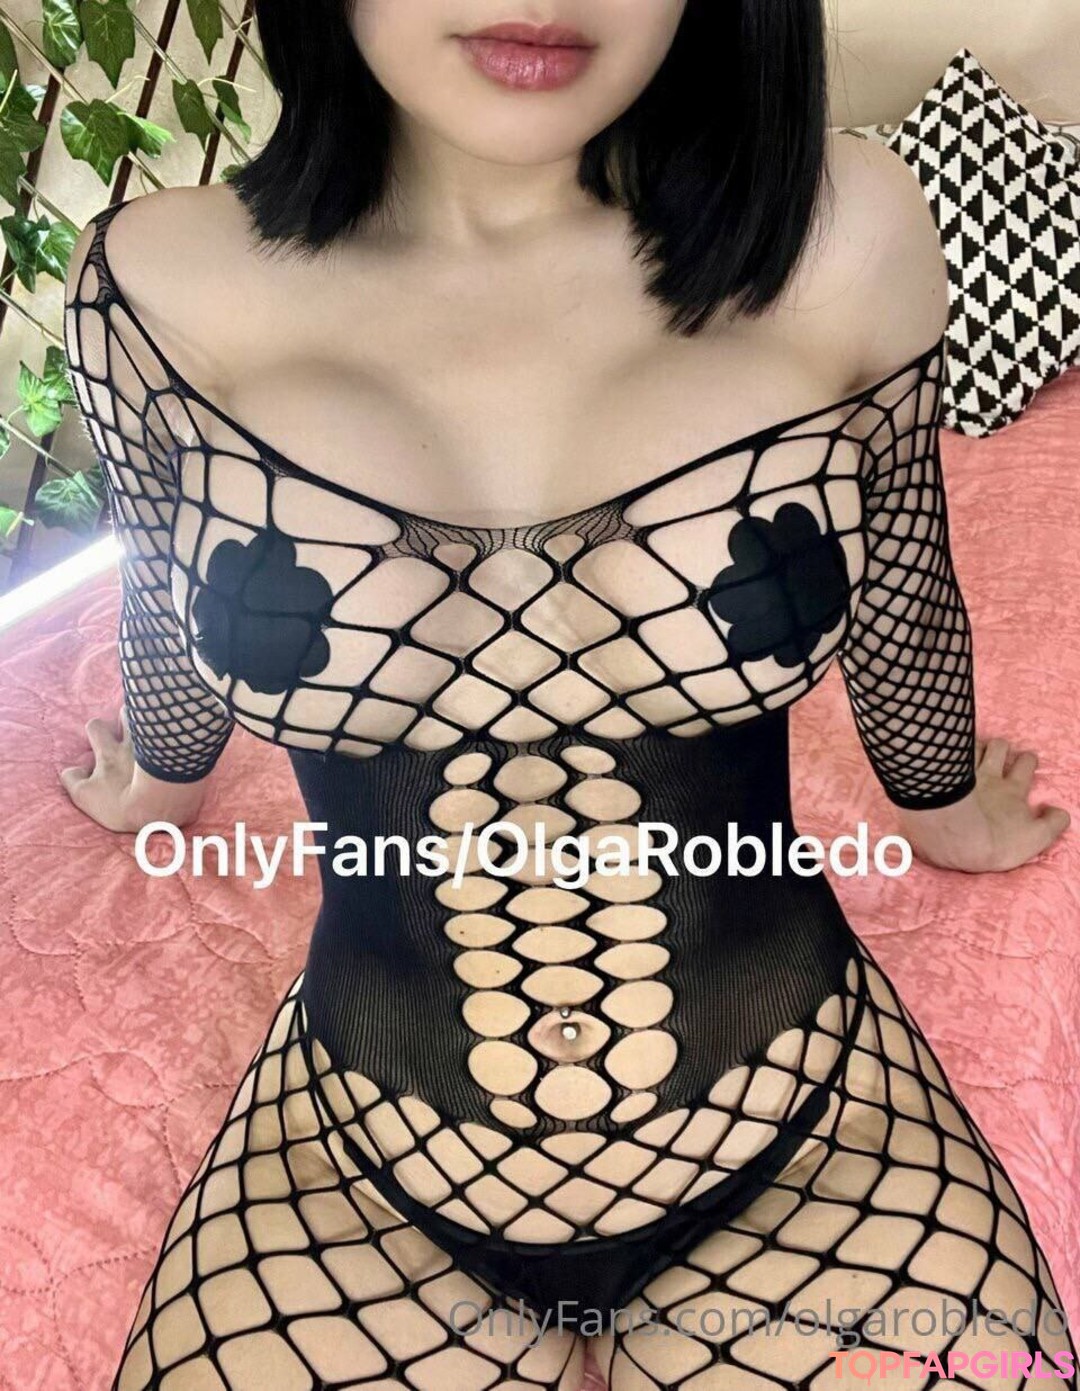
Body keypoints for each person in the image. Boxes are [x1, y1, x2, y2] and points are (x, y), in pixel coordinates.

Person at [59, 2, 1075, 1388]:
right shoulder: (150, 285)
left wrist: (945, 808)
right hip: (356, 1168)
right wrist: (160, 784)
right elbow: (160, 592)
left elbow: (903, 567)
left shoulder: (850, 231)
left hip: (809, 1134)